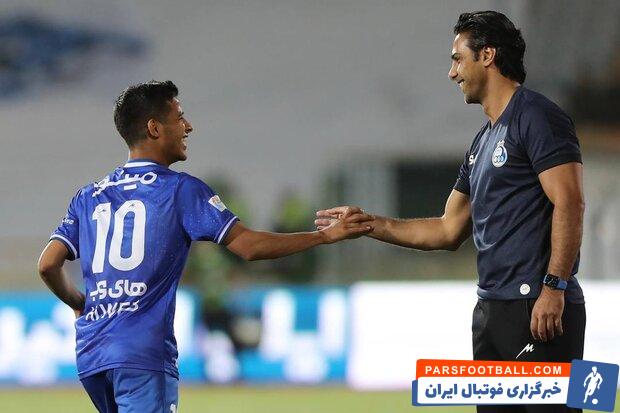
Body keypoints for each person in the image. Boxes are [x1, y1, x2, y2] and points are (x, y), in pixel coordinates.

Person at [37, 80, 371, 413]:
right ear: (154, 128)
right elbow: (249, 246)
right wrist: (323, 236)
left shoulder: (88, 196)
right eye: (179, 117)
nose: (188, 126)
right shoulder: (180, 190)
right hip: (142, 353)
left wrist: (79, 303)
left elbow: (48, 265)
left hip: (93, 353)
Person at [316, 11, 585, 413]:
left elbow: (570, 201)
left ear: (487, 55)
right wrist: (368, 223)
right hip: (492, 310)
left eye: (458, 59)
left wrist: (554, 287)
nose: (452, 72)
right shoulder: (481, 143)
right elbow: (447, 229)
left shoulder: (538, 116)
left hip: (537, 307)